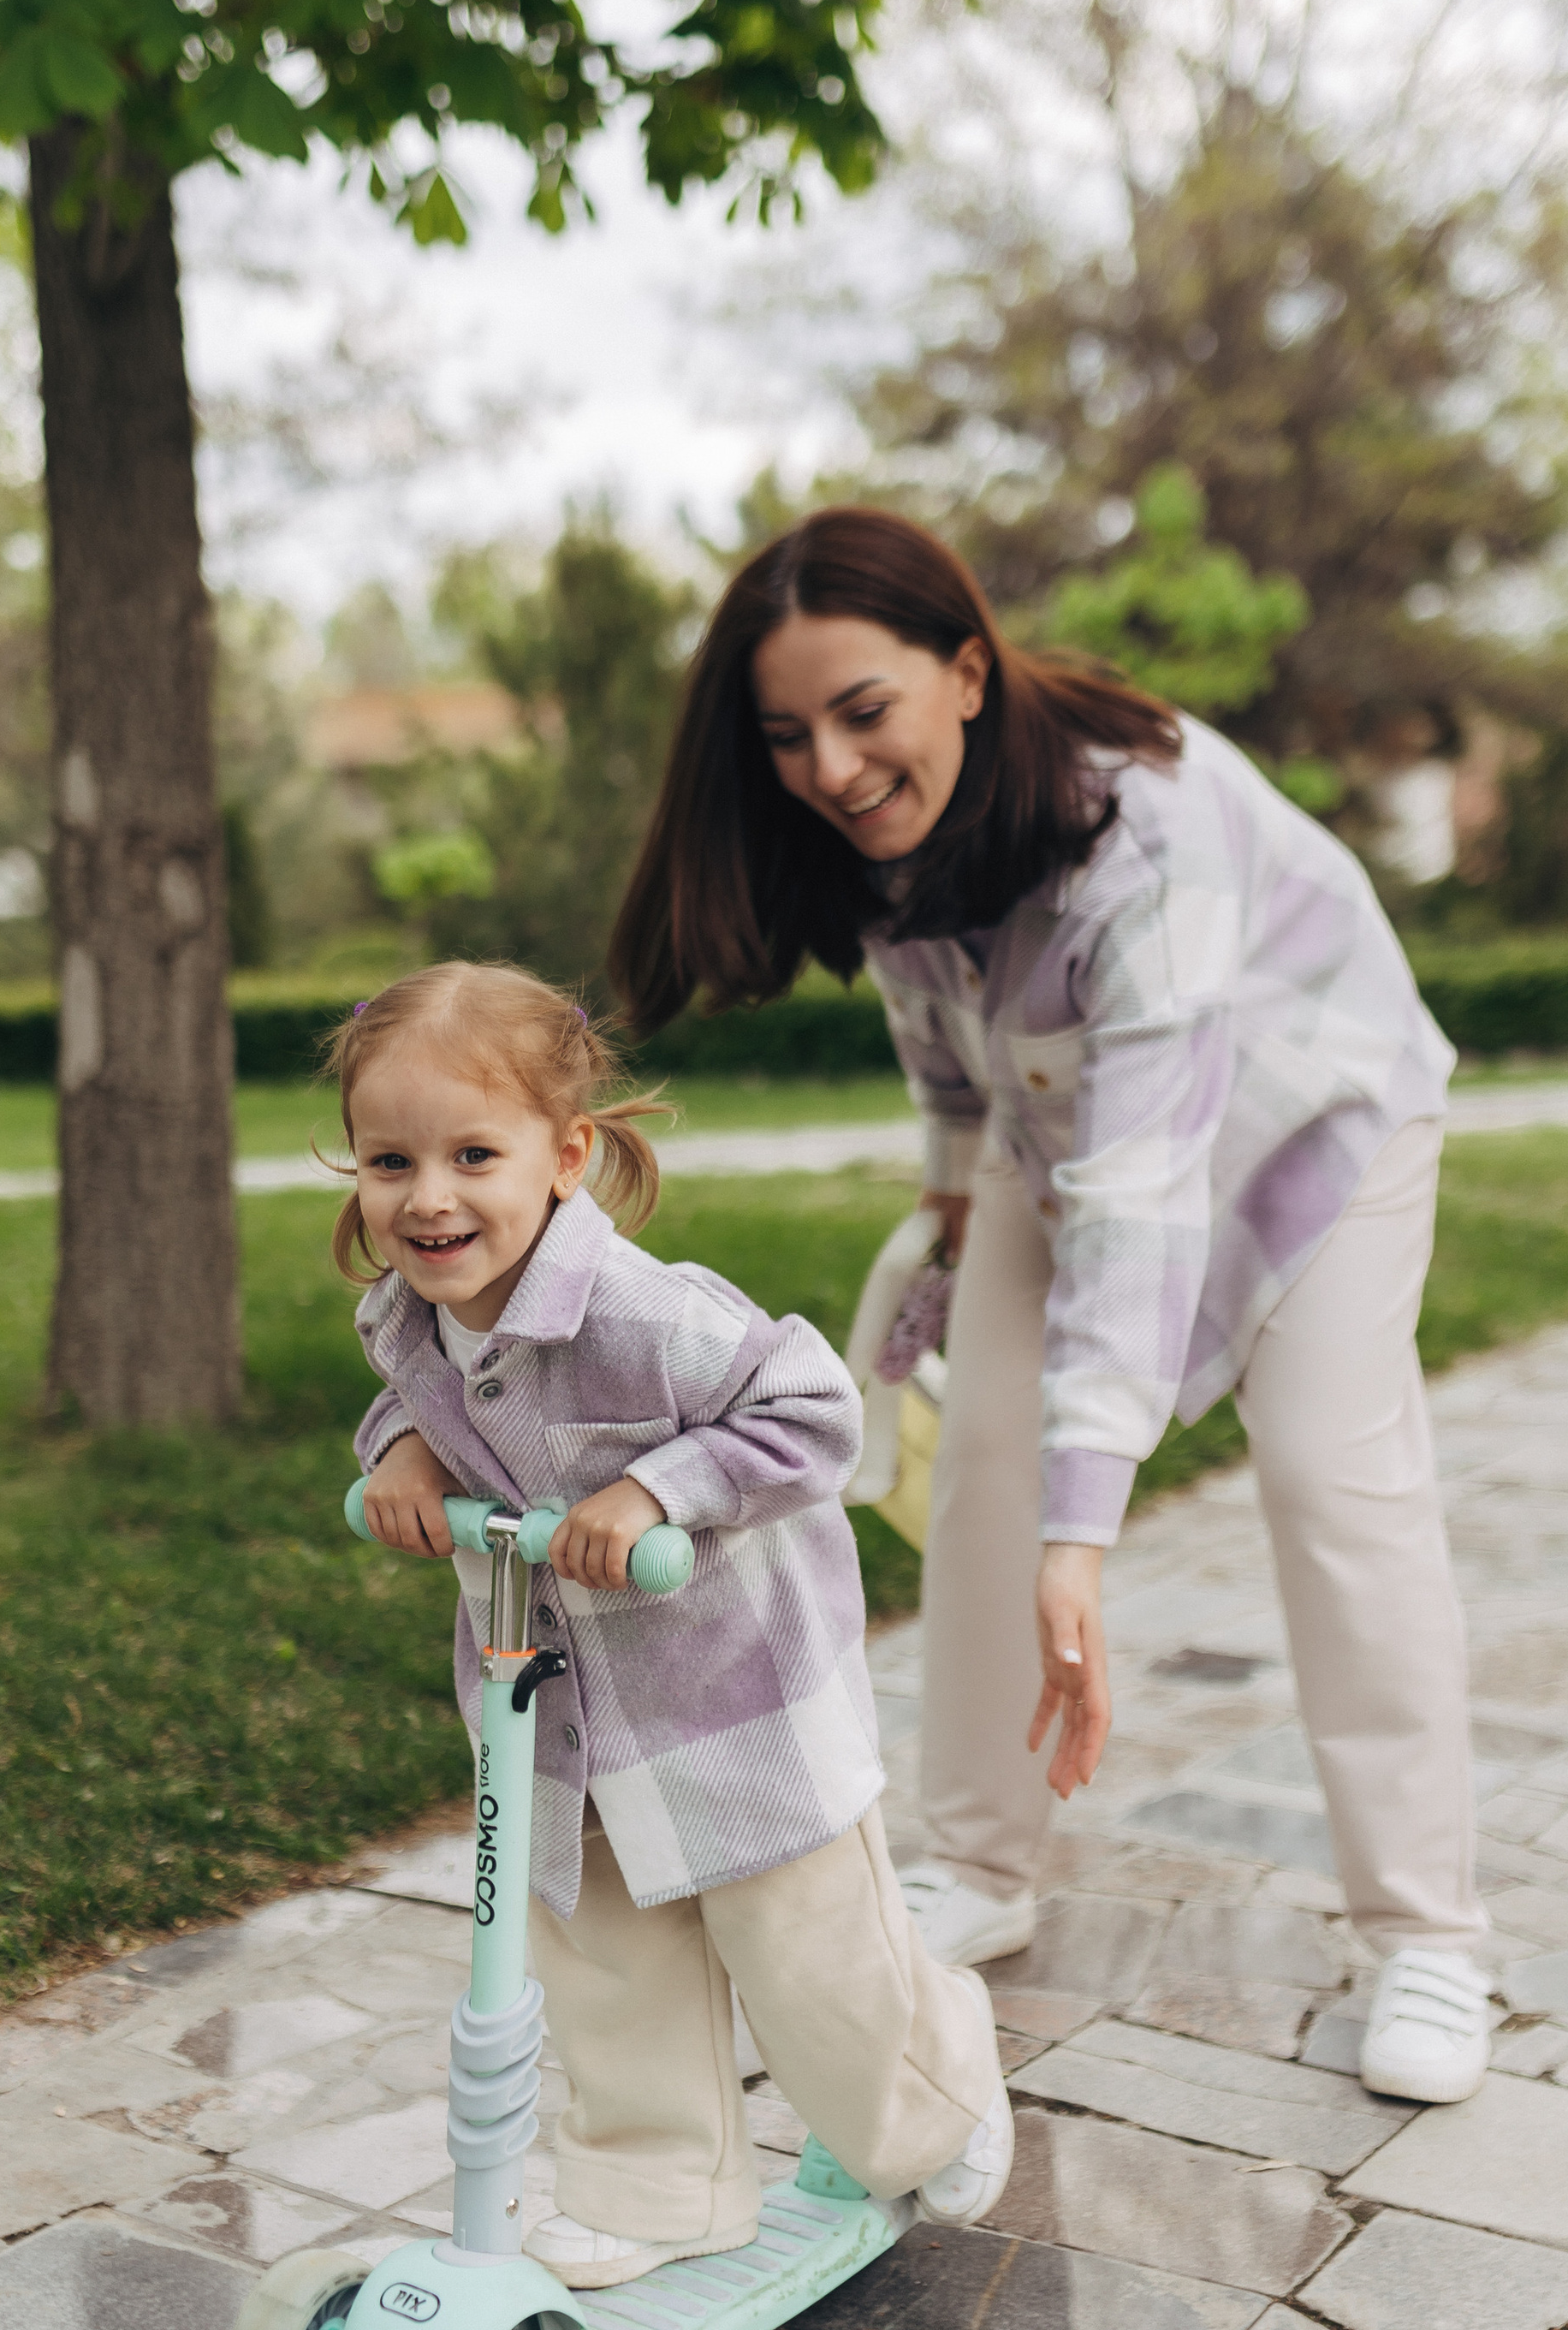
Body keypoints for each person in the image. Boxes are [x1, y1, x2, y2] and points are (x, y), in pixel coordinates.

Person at [609, 509, 1492, 2108]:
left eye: (862, 712)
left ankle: (1425, 1935)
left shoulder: (1134, 831)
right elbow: (938, 1023)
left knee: (1329, 1479)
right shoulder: (878, 827)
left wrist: (1093, 1533)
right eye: (787, 735)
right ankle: (982, 1865)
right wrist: (953, 1197)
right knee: (986, 1469)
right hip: (1065, 1122)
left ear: (963, 669)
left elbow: (1142, 1210)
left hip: (1309, 1118)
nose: (830, 766)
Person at [339, 960, 1013, 2286]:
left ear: (566, 1155)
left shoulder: (652, 1315)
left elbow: (817, 1413)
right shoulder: (404, 1319)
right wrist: (404, 1453)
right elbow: (412, 1404)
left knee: (810, 1961)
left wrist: (657, 1486)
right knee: (603, 1968)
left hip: (732, 1703)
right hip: (553, 1717)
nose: (427, 1197)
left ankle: (938, 2099)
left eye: (474, 1152)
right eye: (387, 1160)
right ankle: (660, 2193)